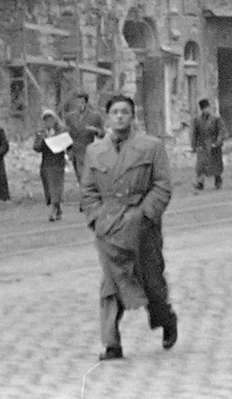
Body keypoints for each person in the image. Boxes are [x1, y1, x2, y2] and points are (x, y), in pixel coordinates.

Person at [83, 93, 178, 361]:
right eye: (115, 112)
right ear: (107, 117)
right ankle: (111, 344)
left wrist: (145, 216)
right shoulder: (95, 151)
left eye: (125, 111)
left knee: (151, 282)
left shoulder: (152, 146)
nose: (120, 116)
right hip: (109, 229)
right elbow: (88, 191)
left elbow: (162, 185)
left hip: (142, 229)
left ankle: (166, 320)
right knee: (110, 286)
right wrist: (97, 219)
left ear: (133, 116)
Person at [63, 92, 105, 185]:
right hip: (75, 151)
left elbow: (102, 134)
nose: (79, 105)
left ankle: (87, 193)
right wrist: (68, 151)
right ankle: (85, 193)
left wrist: (95, 130)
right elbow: (67, 135)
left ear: (86, 103)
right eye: (77, 102)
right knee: (79, 175)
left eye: (82, 102)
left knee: (85, 176)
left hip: (88, 150)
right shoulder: (69, 117)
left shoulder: (94, 116)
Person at [35, 109, 69, 222]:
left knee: (56, 186)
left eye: (51, 119)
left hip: (58, 162)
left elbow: (68, 144)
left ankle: (52, 210)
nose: (48, 122)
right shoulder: (41, 132)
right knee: (48, 187)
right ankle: (58, 208)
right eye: (46, 120)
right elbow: (36, 147)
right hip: (46, 162)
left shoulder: (62, 130)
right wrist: (44, 141)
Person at [191, 99, 223, 191]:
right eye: (204, 108)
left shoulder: (216, 118)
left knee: (215, 165)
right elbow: (195, 133)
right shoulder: (198, 120)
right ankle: (200, 183)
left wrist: (217, 142)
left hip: (213, 144)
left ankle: (218, 181)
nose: (206, 110)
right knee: (201, 165)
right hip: (202, 145)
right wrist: (194, 145)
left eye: (207, 108)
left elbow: (221, 132)